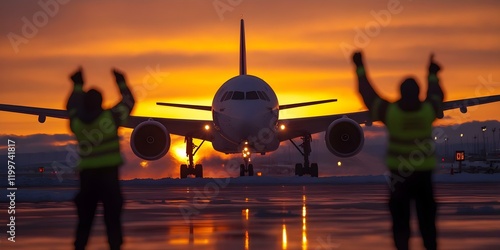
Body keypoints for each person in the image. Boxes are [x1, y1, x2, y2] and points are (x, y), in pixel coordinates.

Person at [353, 51, 443, 250]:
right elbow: (436, 95)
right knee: (428, 225)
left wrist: (359, 67)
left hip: (399, 177)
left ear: (400, 92)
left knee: (401, 226)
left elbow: (368, 95)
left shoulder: (391, 113)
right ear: (419, 93)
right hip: (423, 177)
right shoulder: (427, 111)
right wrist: (432, 75)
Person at [66, 67, 135, 250]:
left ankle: (79, 246)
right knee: (112, 220)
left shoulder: (77, 123)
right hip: (108, 177)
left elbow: (72, 107)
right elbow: (129, 102)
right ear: (102, 102)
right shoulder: (110, 118)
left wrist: (77, 86)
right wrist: (121, 82)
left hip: (87, 178)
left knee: (85, 222)